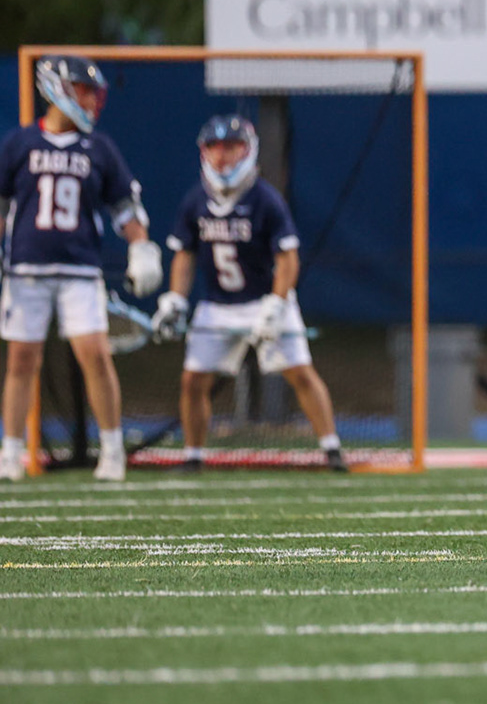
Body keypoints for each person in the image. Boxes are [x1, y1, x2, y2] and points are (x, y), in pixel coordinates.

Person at [150, 114, 346, 472]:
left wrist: (276, 303)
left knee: (300, 372)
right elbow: (184, 255)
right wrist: (175, 299)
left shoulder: (266, 200)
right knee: (192, 379)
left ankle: (332, 450)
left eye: (231, 147)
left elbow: (287, 259)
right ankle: (194, 455)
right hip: (218, 305)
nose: (222, 156)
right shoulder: (196, 200)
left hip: (266, 300)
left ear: (248, 150)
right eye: (214, 147)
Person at [0, 55, 164, 483]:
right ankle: (11, 451)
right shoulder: (19, 144)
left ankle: (112, 450)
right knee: (21, 359)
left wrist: (141, 248)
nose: (91, 100)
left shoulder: (99, 148)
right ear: (56, 87)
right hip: (26, 269)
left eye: (93, 91)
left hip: (79, 269)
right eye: (83, 89)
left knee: (95, 353)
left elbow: (125, 207)